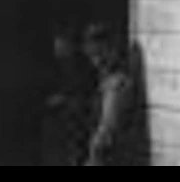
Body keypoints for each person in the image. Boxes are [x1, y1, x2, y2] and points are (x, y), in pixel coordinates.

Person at [82, 24, 145, 167]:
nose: (97, 62)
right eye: (93, 56)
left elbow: (106, 133)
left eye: (101, 54)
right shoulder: (106, 81)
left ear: (113, 50)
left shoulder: (117, 84)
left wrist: (93, 159)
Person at [42, 26, 96, 166]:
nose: (58, 49)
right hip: (59, 125)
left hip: (77, 123)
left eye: (62, 44)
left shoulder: (83, 68)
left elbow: (88, 96)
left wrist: (65, 100)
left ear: (71, 45)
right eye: (56, 45)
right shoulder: (56, 67)